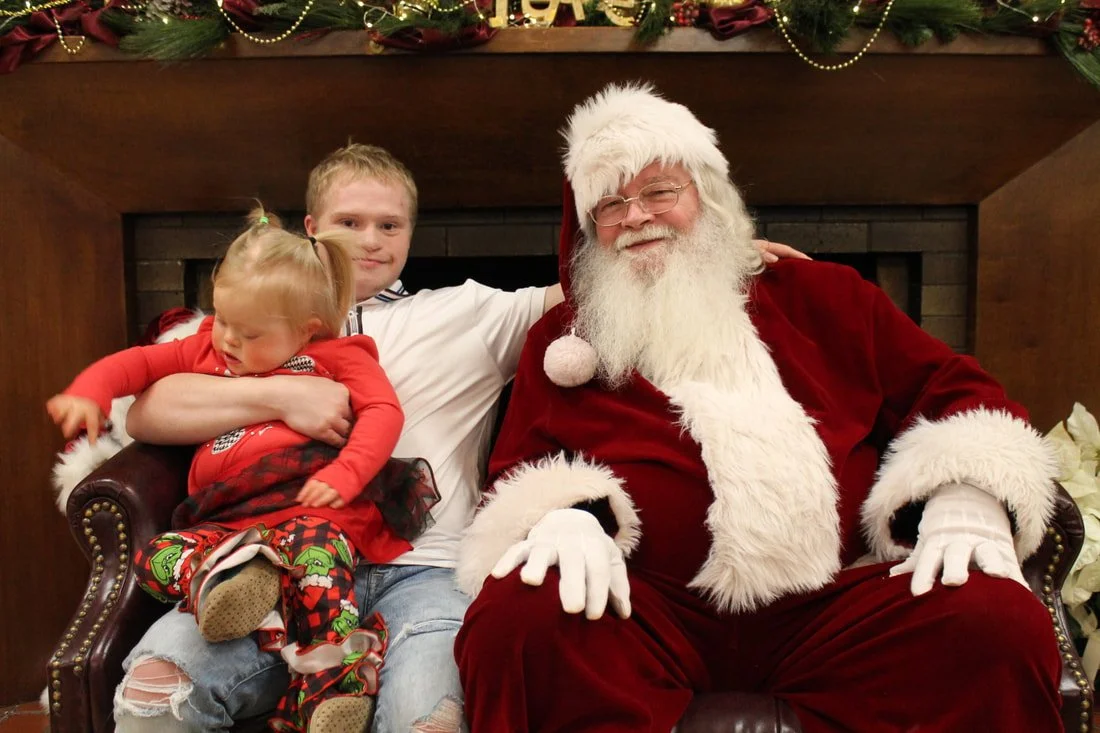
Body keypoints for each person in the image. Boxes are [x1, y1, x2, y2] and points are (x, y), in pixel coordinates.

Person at [109, 143, 805, 733]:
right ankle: (326, 662)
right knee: (155, 693)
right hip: (274, 568)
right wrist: (280, 390)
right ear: (313, 227)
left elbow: (591, 291)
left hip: (428, 572)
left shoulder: (467, 312)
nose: (373, 239)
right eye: (351, 221)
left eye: (391, 224)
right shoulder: (246, 326)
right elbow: (146, 412)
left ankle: (362, 664)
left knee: (431, 716)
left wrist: (710, 253)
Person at [453, 83, 1064, 733]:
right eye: (609, 203)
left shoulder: (827, 297)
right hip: (644, 612)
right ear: (589, 231)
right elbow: (519, 468)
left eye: (660, 191)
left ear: (706, 198)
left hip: (831, 612)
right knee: (513, 621)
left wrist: (963, 492)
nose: (635, 217)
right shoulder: (562, 345)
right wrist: (565, 516)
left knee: (997, 623)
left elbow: (956, 387)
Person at [49, 209, 439, 733]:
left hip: (311, 518)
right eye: (222, 319)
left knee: (320, 571)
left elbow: (383, 413)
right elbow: (136, 365)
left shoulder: (338, 356)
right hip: (230, 526)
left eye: (248, 333)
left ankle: (332, 692)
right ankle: (232, 577)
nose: (227, 340)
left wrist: (347, 473)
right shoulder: (211, 345)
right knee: (157, 555)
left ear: (308, 329)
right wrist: (91, 390)